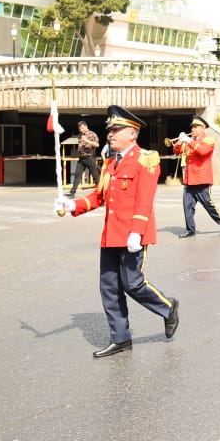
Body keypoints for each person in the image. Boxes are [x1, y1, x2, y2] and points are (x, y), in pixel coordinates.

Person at [55, 105, 178, 358]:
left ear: (132, 133)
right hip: (111, 233)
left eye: (116, 130)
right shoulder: (110, 162)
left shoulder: (146, 159)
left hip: (133, 233)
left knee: (133, 284)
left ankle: (167, 307)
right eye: (110, 129)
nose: (110, 134)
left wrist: (137, 232)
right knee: (109, 287)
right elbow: (100, 196)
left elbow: (145, 199)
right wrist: (73, 205)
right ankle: (120, 338)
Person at [170, 115, 220, 238]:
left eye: (196, 127)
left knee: (207, 204)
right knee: (187, 206)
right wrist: (179, 142)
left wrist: (189, 141)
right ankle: (190, 229)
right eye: (192, 127)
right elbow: (177, 151)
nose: (193, 129)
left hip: (201, 178)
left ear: (203, 128)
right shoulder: (190, 141)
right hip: (189, 179)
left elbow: (202, 151)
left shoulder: (208, 140)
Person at [68, 120, 101, 197]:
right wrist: (79, 149)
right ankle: (72, 193)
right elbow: (80, 144)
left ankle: (100, 192)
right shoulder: (80, 135)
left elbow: (97, 145)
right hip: (82, 158)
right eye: (80, 129)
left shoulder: (92, 134)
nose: (81, 130)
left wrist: (87, 141)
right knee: (77, 175)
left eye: (82, 128)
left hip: (90, 157)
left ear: (86, 126)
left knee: (95, 176)